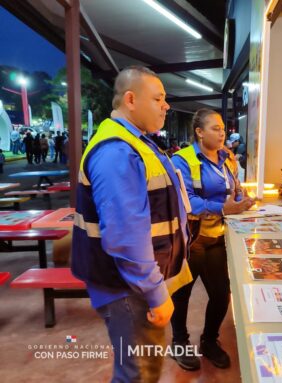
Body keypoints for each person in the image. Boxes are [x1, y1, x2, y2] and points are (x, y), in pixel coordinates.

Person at [71, 66, 192, 382]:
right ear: (130, 99)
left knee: (140, 370)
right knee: (138, 373)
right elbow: (126, 236)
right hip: (127, 288)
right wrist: (156, 293)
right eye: (158, 98)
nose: (166, 106)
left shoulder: (137, 142)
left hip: (132, 283)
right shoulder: (117, 152)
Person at [169, 109, 254, 371]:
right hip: (191, 238)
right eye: (215, 128)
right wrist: (224, 208)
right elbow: (187, 201)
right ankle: (179, 343)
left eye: (223, 129)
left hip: (218, 236)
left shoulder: (226, 159)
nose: (222, 133)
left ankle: (209, 341)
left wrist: (243, 200)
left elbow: (234, 190)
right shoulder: (182, 160)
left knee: (220, 294)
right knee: (181, 294)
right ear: (199, 132)